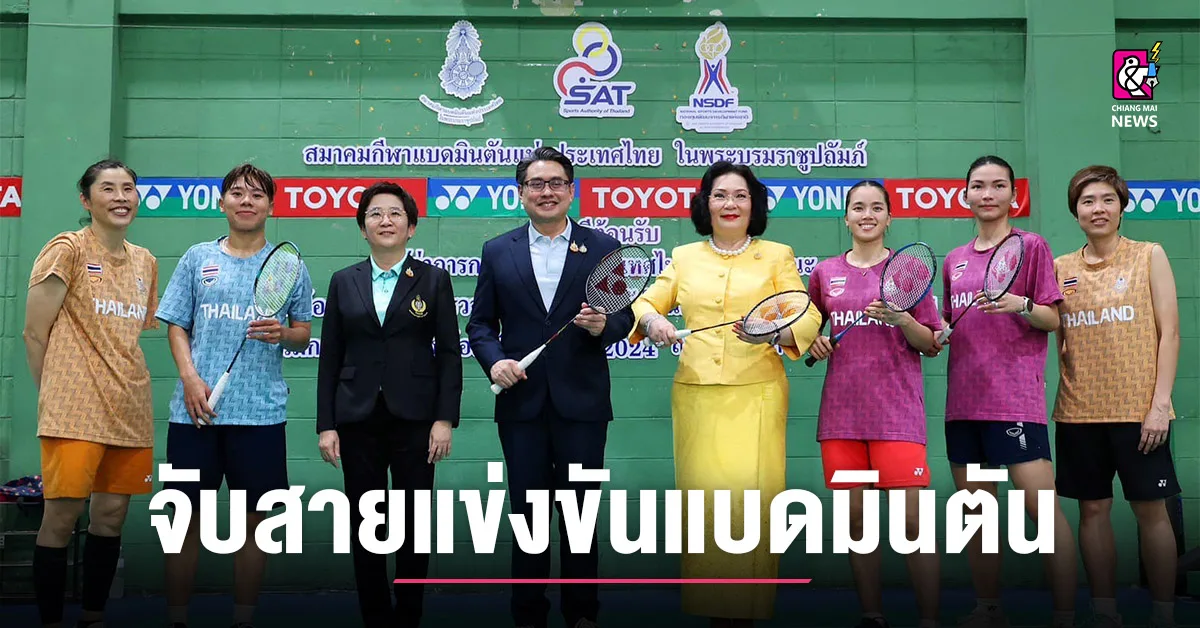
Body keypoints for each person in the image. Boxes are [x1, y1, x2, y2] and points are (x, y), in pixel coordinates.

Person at [629, 161, 822, 628]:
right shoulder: (684, 257)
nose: (730, 204)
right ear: (705, 204)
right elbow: (647, 302)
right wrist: (654, 322)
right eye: (720, 195)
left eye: (740, 195)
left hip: (758, 394)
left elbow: (806, 314)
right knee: (704, 506)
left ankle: (749, 612)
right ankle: (711, 610)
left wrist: (773, 333)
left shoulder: (776, 255)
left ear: (754, 205)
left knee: (751, 503)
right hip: (696, 395)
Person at [466, 146, 634, 628]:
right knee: (529, 518)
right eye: (536, 184)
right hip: (521, 406)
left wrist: (604, 325)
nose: (547, 191)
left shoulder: (602, 246)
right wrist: (496, 362)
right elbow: (480, 325)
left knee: (581, 518)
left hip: (582, 405)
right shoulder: (497, 250)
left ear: (571, 190)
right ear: (521, 193)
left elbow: (623, 318)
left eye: (556, 183)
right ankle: (528, 616)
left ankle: (582, 614)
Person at [155, 163, 314, 628]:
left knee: (255, 521)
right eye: (238, 193)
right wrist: (189, 378)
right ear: (222, 202)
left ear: (271, 206)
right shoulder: (196, 258)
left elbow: (303, 333)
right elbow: (176, 324)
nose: (247, 201)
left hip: (260, 416)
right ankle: (177, 618)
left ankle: (243, 618)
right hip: (195, 415)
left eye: (257, 195)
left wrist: (283, 334)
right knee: (184, 519)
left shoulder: (289, 266)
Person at [926, 155, 1077, 628]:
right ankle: (988, 609)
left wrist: (1022, 304)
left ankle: (1066, 615)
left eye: (997, 185)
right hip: (963, 406)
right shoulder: (954, 260)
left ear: (1014, 194)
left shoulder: (1031, 247)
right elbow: (950, 322)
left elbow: (1052, 319)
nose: (987, 194)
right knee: (978, 514)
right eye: (978, 186)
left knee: (1042, 512)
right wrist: (936, 334)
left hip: (1014, 404)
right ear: (965, 194)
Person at [316, 181, 463, 628]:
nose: (385, 220)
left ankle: (409, 615)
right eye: (375, 214)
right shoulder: (344, 281)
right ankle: (376, 617)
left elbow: (449, 353)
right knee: (368, 523)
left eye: (395, 213)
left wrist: (444, 419)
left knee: (413, 521)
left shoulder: (433, 279)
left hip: (416, 418)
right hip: (356, 417)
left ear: (411, 227)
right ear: (363, 228)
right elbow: (331, 355)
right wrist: (326, 424)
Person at [23, 159, 159, 628]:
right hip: (74, 411)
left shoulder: (146, 261)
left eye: (128, 188)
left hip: (130, 408)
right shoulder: (67, 249)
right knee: (61, 518)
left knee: (111, 517)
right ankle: (50, 621)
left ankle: (93, 617)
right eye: (108, 188)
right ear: (86, 199)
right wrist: (54, 397)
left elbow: (129, 334)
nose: (121, 197)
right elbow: (34, 333)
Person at [805, 180, 942, 628]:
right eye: (858, 208)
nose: (867, 215)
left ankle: (929, 619)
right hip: (841, 419)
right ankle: (872, 615)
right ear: (846, 217)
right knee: (857, 524)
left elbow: (931, 343)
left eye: (877, 208)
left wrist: (902, 319)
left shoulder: (908, 271)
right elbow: (810, 334)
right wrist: (817, 342)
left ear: (889, 218)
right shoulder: (824, 273)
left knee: (912, 526)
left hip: (897, 416)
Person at [1051, 165, 1181, 628]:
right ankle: (1105, 611)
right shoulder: (1061, 267)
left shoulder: (1149, 255)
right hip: (1078, 412)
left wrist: (1159, 406)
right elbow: (1055, 334)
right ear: (1076, 212)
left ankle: (1164, 613)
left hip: (1139, 412)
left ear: (1122, 207)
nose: (1098, 209)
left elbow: (1170, 334)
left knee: (1151, 511)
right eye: (1088, 201)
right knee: (1092, 510)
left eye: (1107, 199)